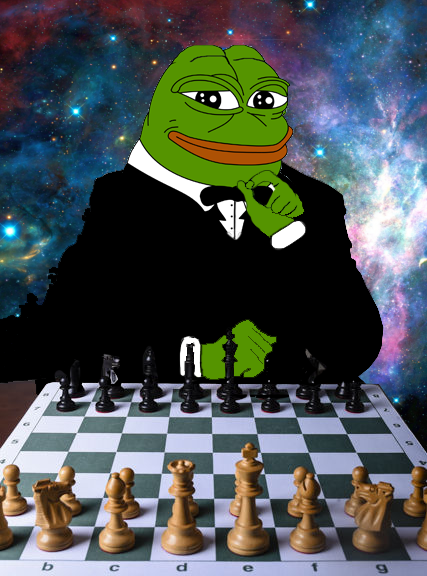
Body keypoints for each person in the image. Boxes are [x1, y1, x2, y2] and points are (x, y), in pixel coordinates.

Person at [1, 45, 383, 388]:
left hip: (285, 417)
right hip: (158, 419)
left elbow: (355, 345)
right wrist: (196, 359)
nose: (249, 123)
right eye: (210, 99)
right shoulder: (121, 201)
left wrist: (290, 238)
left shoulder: (315, 203)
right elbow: (65, 341)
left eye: (264, 101)